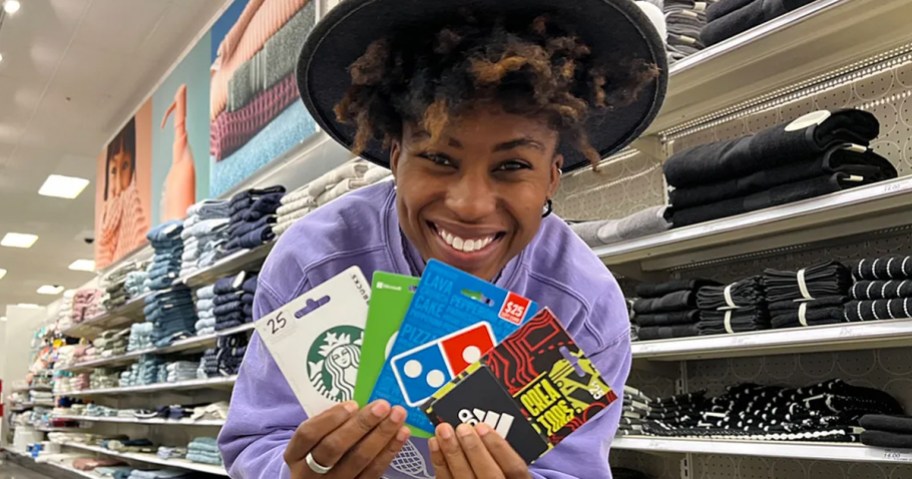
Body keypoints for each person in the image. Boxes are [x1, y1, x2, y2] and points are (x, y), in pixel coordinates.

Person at [218, 0, 667, 477]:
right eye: (438, 158)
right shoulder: (315, 262)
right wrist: (294, 473)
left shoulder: (584, 305)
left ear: (552, 178)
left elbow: (576, 470)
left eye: (513, 166)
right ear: (395, 158)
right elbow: (256, 442)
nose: (471, 205)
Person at [98, 117, 148, 269]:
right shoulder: (104, 222)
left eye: (125, 165)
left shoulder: (133, 204)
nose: (119, 183)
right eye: (113, 170)